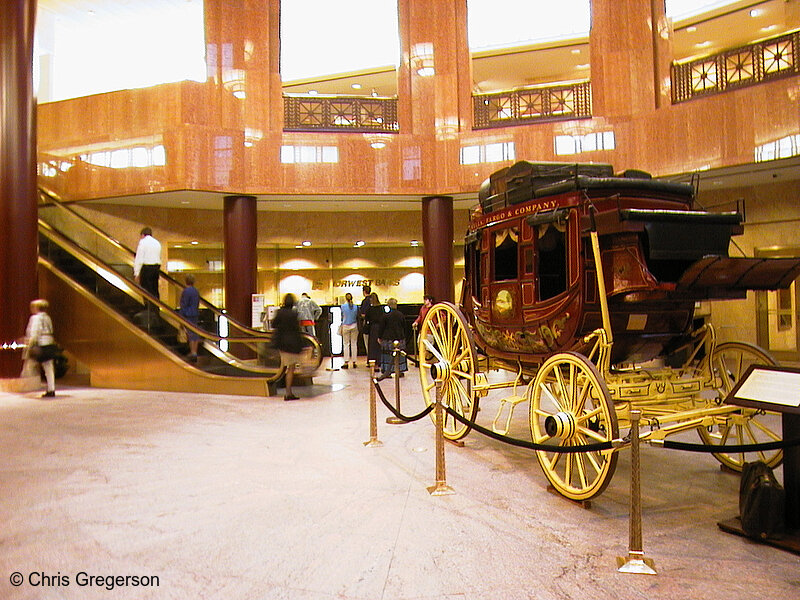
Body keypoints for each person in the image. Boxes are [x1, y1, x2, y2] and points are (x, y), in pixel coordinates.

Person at [21, 299, 57, 398]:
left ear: (36, 307)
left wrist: (30, 343)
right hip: (49, 343)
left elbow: (35, 332)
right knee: (49, 367)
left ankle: (23, 384)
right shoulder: (47, 318)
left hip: (40, 344)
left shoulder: (36, 318)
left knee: (29, 364)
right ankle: (51, 389)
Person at [272, 293, 305, 401]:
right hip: (292, 344)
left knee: (284, 366)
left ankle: (286, 390)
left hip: (282, 343)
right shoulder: (293, 314)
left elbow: (274, 324)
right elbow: (297, 329)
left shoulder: (280, 312)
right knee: (291, 368)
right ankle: (288, 392)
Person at [376, 298, 408, 380]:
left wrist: (379, 337)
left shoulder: (385, 316)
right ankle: (400, 370)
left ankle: (387, 371)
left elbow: (381, 327)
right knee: (399, 355)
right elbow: (405, 326)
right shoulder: (401, 314)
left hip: (387, 338)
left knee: (387, 355)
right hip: (399, 337)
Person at [134, 226, 162, 301]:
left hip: (147, 269)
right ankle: (156, 310)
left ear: (143, 235)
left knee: (146, 291)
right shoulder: (157, 243)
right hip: (156, 268)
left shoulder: (143, 242)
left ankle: (148, 309)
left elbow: (139, 258)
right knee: (155, 290)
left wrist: (137, 273)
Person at [179, 274, 201, 362]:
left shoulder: (186, 291)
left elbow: (184, 304)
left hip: (187, 314)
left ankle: (192, 352)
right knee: (195, 333)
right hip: (195, 313)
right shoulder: (196, 291)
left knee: (190, 333)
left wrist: (180, 316)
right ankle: (195, 351)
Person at [364, 292, 384, 371]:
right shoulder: (381, 308)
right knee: (378, 345)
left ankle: (372, 361)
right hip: (380, 327)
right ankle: (379, 361)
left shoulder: (370, 309)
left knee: (372, 346)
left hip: (372, 328)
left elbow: (367, 318)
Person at [339, 292, 359, 369]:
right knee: (354, 343)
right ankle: (354, 361)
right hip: (354, 325)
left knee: (346, 344)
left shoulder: (343, 306)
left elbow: (342, 316)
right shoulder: (356, 307)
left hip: (345, 325)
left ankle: (346, 362)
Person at [358, 285, 372, 363]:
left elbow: (363, 314)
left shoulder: (364, 301)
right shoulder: (373, 300)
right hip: (374, 326)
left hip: (366, 324)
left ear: (364, 292)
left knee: (367, 343)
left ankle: (369, 359)